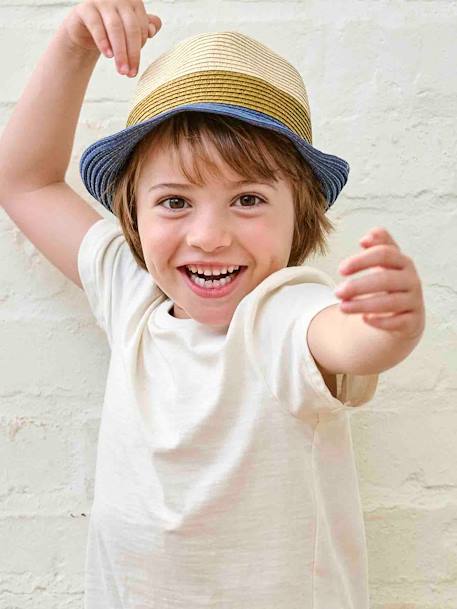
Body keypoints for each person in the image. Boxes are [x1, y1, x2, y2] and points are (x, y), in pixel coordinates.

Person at [0, 1, 425, 607]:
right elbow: (25, 181)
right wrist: (74, 43)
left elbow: (346, 341)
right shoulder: (134, 293)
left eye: (248, 200)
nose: (208, 235)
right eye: (174, 202)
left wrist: (386, 323)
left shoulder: (283, 310)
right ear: (134, 217)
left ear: (298, 216)